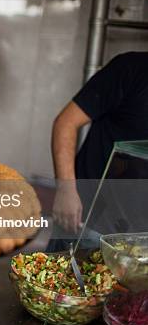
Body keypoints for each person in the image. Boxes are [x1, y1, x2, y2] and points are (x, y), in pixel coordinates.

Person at [51, 51, 148, 234]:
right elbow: (66, 123)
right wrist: (66, 191)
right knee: (72, 262)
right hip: (89, 216)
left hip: (138, 230)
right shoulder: (131, 69)